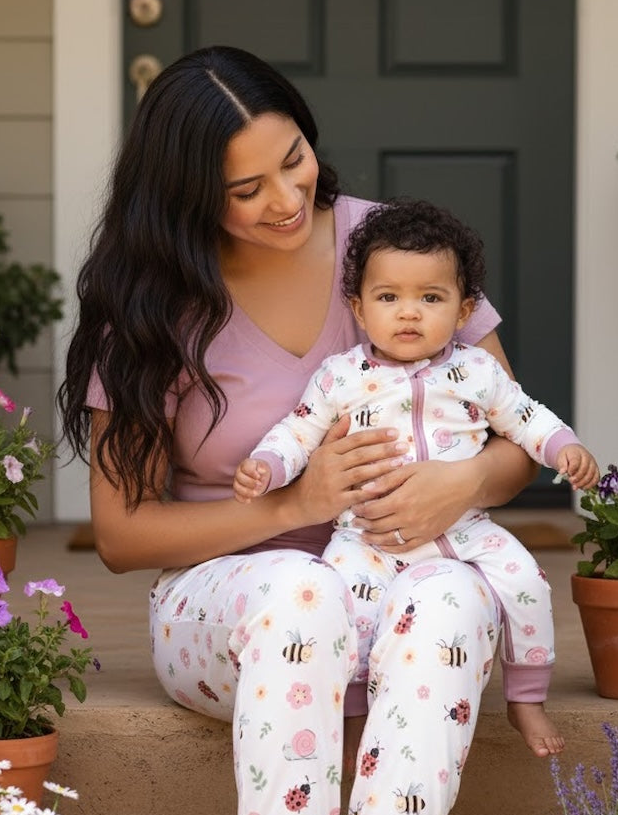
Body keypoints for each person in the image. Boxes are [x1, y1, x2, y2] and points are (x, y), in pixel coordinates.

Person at [59, 45, 539, 815]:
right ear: (188, 194)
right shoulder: (150, 300)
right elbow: (124, 534)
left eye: (296, 161)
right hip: (228, 609)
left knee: (459, 593)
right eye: (246, 187)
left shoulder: (389, 244)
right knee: (302, 587)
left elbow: (516, 438)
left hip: (408, 591)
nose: (288, 198)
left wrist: (462, 488)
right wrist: (299, 505)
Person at [233, 198, 599, 758]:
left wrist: (564, 447)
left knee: (527, 581)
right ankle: (354, 709)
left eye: (430, 298)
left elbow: (525, 417)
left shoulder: (475, 370)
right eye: (388, 298)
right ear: (358, 309)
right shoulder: (341, 376)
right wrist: (268, 466)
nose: (409, 313)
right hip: (368, 537)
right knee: (341, 605)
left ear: (462, 309)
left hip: (466, 529)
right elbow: (298, 431)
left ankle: (527, 697)